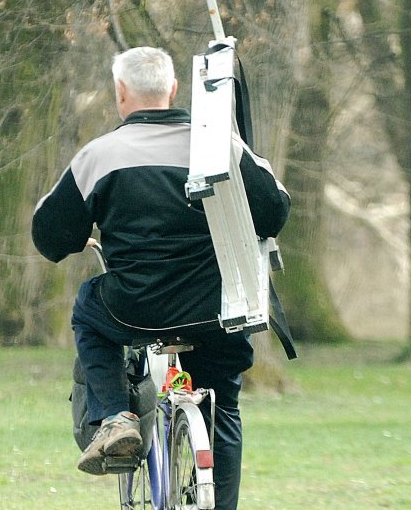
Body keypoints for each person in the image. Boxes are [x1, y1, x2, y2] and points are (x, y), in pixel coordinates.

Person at [31, 46, 290, 508]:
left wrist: (81, 237)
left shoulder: (99, 156)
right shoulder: (220, 147)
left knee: (89, 310)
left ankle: (115, 417)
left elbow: (50, 236)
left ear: (120, 93)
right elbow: (274, 213)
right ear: (172, 90)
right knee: (222, 409)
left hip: (133, 309)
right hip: (216, 311)